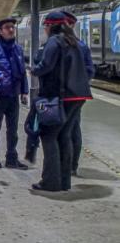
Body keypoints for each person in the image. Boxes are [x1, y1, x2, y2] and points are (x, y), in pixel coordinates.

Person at [30, 11, 92, 192]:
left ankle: (51, 182)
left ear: (50, 25)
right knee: (64, 136)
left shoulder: (55, 41)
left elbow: (46, 65)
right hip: (78, 96)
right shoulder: (74, 42)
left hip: (60, 96)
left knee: (49, 136)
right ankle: (65, 181)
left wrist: (34, 70)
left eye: (45, 26)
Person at [0, 18, 29, 170]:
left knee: (13, 129)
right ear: (0, 31)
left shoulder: (18, 49)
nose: (11, 30)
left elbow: (22, 72)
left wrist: (24, 91)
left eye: (12, 27)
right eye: (7, 27)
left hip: (13, 95)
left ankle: (11, 158)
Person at [61, 11, 94, 176]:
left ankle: (66, 166)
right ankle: (73, 165)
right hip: (78, 95)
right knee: (74, 128)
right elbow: (90, 70)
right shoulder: (82, 46)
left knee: (64, 130)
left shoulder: (64, 45)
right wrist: (80, 82)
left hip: (65, 95)